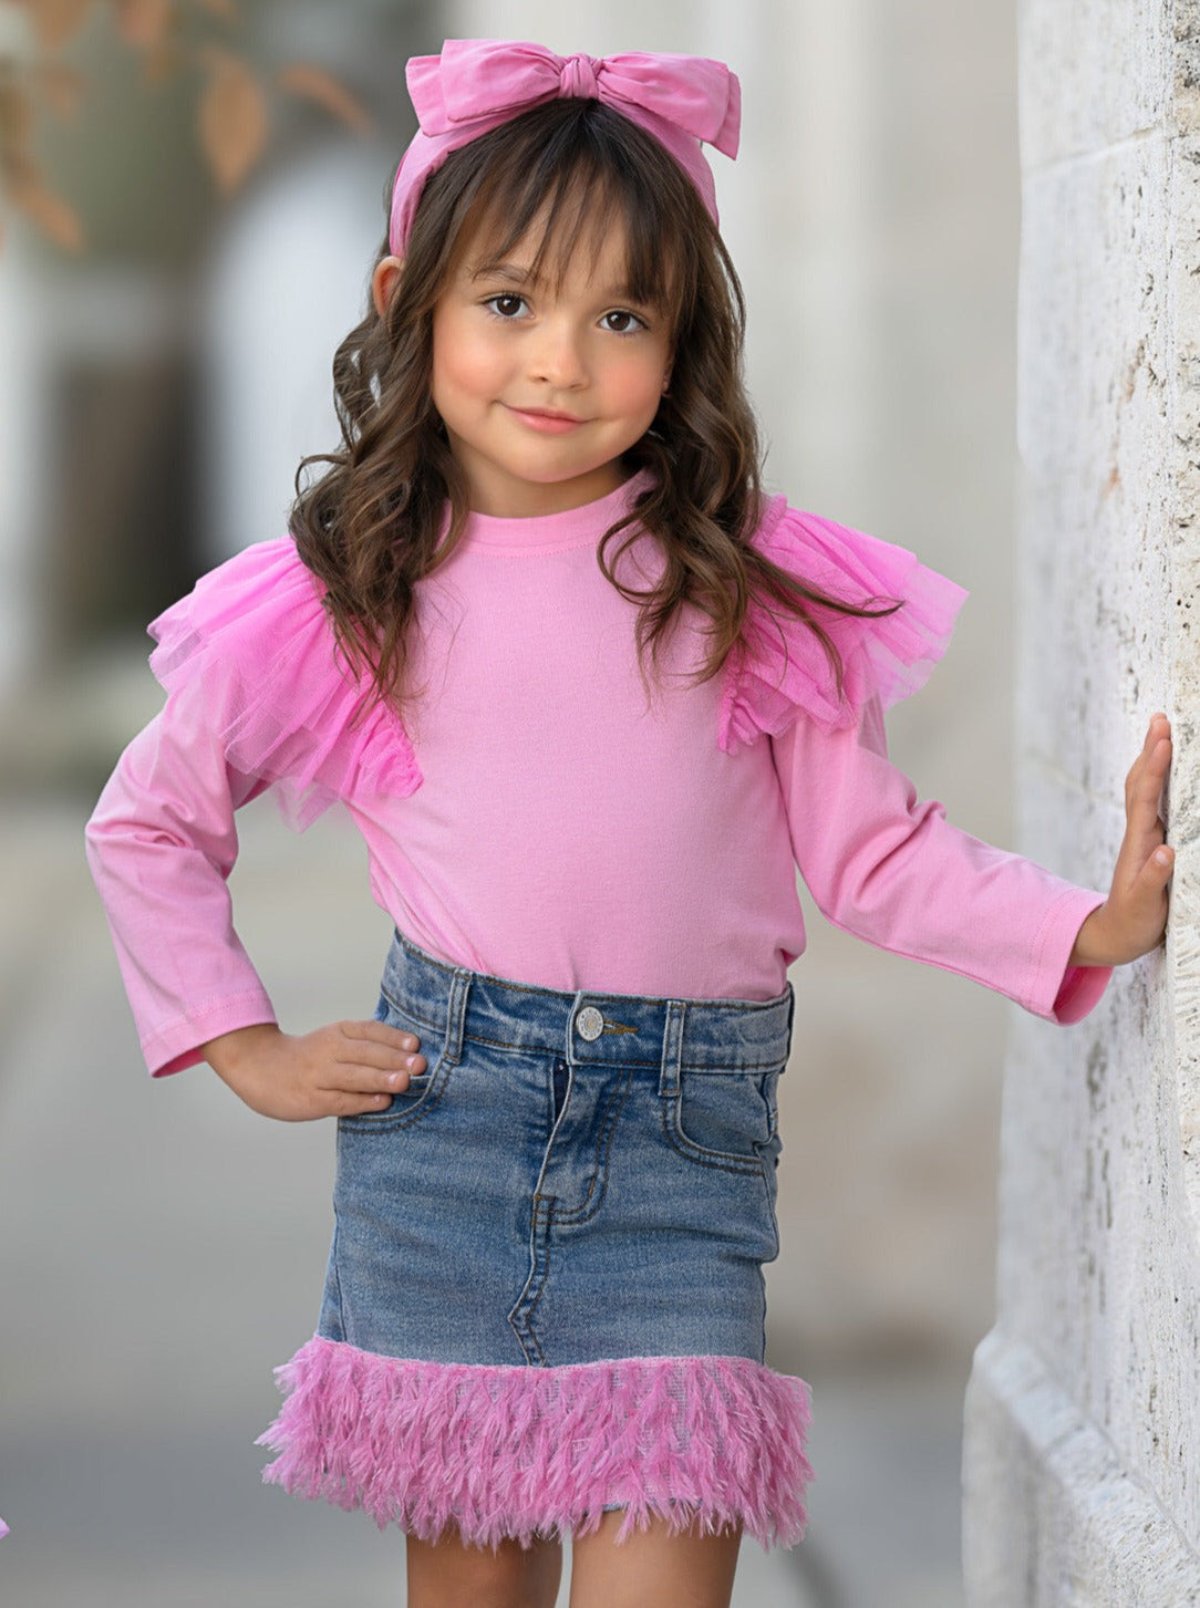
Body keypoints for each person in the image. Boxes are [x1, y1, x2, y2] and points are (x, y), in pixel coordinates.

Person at [83, 37, 1174, 1608]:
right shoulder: (354, 590)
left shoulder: (748, 586)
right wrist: (238, 1040)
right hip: (444, 1135)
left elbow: (872, 854)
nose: (560, 363)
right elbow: (151, 821)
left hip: (681, 1147)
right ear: (409, 300)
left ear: (683, 346)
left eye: (622, 318)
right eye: (510, 303)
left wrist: (1087, 923)